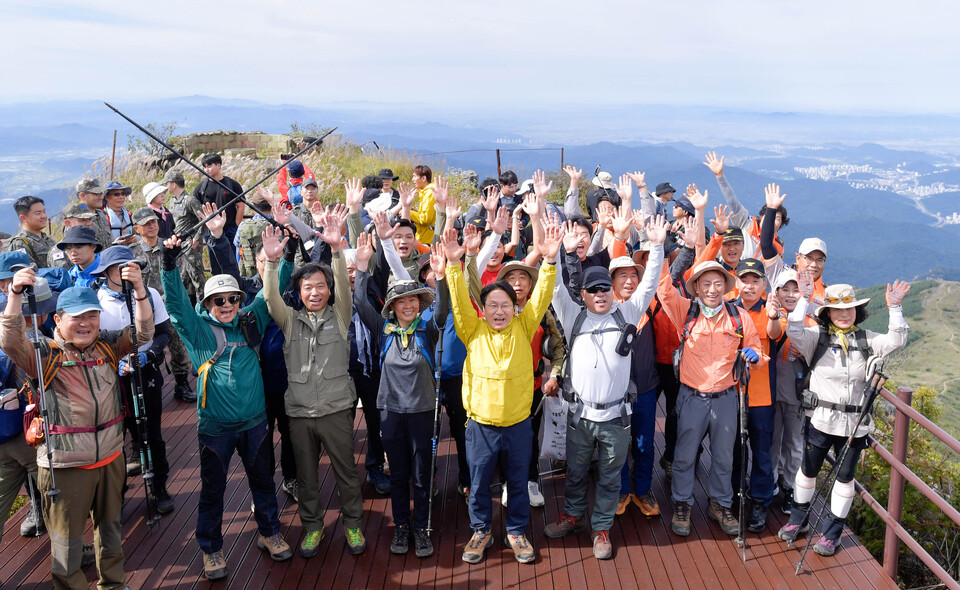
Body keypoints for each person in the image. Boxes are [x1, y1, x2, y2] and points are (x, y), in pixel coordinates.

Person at [1, 265, 154, 590]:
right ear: (57, 320)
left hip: (111, 460)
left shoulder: (108, 346)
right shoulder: (45, 355)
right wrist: (14, 295)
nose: (85, 323)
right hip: (66, 467)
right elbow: (11, 341)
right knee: (67, 547)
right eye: (76, 316)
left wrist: (140, 290)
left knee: (110, 532)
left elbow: (143, 333)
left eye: (92, 315)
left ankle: (113, 584)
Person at [161, 229, 292, 581]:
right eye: (218, 300)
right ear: (206, 305)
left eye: (233, 298)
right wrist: (169, 265)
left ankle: (269, 532)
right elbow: (174, 304)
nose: (227, 305)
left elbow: (271, 293)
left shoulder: (252, 320)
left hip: (255, 423)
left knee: (263, 482)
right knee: (213, 491)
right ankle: (212, 549)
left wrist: (282, 256)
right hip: (215, 428)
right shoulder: (197, 331)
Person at [544, 217, 666, 560]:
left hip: (616, 417)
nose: (600, 294)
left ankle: (601, 528)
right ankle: (572, 514)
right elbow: (554, 290)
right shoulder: (573, 316)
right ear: (582, 294)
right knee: (578, 471)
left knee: (611, 475)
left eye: (604, 289)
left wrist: (656, 247)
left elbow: (649, 284)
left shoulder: (626, 313)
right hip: (580, 416)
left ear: (612, 292)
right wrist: (553, 258)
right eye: (593, 289)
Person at [442, 218, 561, 565]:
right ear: (484, 309)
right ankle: (481, 530)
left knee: (518, 482)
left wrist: (550, 261)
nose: (498, 311)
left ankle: (516, 532)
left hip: (518, 425)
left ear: (514, 308)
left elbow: (541, 296)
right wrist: (454, 264)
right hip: (480, 425)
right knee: (478, 485)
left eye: (504, 305)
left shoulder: (525, 326)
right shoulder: (472, 330)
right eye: (491, 305)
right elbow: (460, 300)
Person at [261, 215, 367, 560]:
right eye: (308, 287)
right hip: (300, 413)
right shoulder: (290, 321)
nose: (315, 292)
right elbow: (270, 297)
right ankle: (313, 527)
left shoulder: (340, 315)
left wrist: (337, 250)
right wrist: (273, 261)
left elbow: (343, 288)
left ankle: (352, 523)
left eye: (321, 286)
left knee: (346, 473)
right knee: (306, 477)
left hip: (336, 410)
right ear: (300, 293)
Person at [778, 281, 910, 556]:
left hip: (855, 426)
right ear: (827, 313)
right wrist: (803, 299)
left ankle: (831, 534)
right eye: (837, 310)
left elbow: (897, 340)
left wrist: (895, 307)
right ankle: (797, 520)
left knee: (844, 479)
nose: (844, 314)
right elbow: (794, 330)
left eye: (849, 308)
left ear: (856, 311)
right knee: (807, 473)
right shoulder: (817, 337)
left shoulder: (866, 339)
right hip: (820, 420)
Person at [656, 259, 767, 538]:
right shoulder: (686, 311)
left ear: (726, 287)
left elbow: (756, 347)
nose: (712, 289)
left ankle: (721, 504)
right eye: (705, 283)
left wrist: (755, 356)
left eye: (718, 283)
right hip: (692, 397)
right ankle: (682, 504)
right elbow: (664, 291)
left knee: (723, 457)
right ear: (696, 287)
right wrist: (657, 249)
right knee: (684, 455)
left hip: (727, 397)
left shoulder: (738, 316)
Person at [353, 233, 446, 558]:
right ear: (392, 307)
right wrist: (362, 266)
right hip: (391, 413)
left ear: (418, 304)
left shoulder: (428, 329)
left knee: (421, 476)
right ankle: (402, 527)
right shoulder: (383, 330)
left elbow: (443, 310)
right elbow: (361, 303)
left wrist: (443, 277)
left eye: (412, 301)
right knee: (399, 476)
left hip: (422, 413)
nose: (407, 306)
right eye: (400, 302)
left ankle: (421, 528)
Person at [92, 245, 175, 514]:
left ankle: (159, 486)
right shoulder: (94, 301)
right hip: (109, 379)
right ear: (106, 273)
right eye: (121, 268)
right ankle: (117, 491)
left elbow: (163, 332)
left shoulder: (149, 295)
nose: (128, 272)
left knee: (153, 432)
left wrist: (148, 355)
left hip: (145, 372)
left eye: (133, 267)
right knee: (115, 435)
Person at [728, 258, 781, 534]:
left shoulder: (771, 310)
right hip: (730, 393)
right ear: (736, 281)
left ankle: (760, 502)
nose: (749, 286)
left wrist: (772, 316)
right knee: (733, 449)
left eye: (755, 281)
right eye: (744, 280)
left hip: (761, 396)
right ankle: (733, 497)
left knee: (761, 452)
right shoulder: (726, 307)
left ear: (764, 284)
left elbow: (775, 333)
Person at [131, 208, 196, 402]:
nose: (152, 226)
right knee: (147, 346)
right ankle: (152, 384)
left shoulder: (168, 247)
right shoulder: (133, 253)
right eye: (146, 224)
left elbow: (183, 272)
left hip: (170, 306)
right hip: (144, 310)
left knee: (177, 346)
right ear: (137, 228)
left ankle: (181, 384)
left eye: (154, 222)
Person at [768, 269, 808, 514]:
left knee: (794, 442)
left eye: (796, 290)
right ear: (777, 292)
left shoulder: (810, 320)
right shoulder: (771, 317)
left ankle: (791, 486)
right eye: (786, 290)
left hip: (797, 394)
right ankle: (771, 481)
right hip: (771, 392)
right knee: (772, 440)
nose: (791, 295)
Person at [704, 151, 787, 261]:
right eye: (769, 215)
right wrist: (720, 176)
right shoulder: (746, 223)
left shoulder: (778, 245)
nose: (771, 220)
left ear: (781, 224)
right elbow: (732, 201)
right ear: (761, 216)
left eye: (777, 219)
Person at [165, 168, 206, 304]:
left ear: (174, 184)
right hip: (178, 246)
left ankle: (203, 307)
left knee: (197, 276)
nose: (166, 187)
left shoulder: (190, 200)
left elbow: (203, 220)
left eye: (167, 183)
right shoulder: (172, 201)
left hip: (190, 245)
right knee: (184, 278)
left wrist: (196, 238)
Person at [194, 153, 245, 252]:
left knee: (232, 260)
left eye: (209, 166)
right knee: (215, 262)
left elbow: (241, 206)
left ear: (219, 165)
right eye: (204, 167)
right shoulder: (200, 188)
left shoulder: (232, 185)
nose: (206, 170)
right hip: (210, 230)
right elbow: (196, 210)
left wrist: (235, 225)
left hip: (229, 230)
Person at [3, 195, 57, 267]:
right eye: (38, 213)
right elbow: (26, 270)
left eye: (44, 212)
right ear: (23, 218)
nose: (44, 216)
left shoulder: (47, 239)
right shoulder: (20, 243)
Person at [47, 202, 99, 269]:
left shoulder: (93, 240)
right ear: (68, 223)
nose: (88, 223)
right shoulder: (59, 251)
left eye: (89, 219)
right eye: (82, 220)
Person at [75, 178, 114, 250]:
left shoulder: (101, 214)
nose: (101, 197)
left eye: (101, 193)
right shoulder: (75, 220)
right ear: (82, 195)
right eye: (96, 194)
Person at [408, 165, 436, 243]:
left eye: (414, 176)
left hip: (427, 239)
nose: (412, 179)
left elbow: (425, 219)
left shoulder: (430, 193)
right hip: (426, 237)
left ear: (423, 178)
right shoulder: (425, 192)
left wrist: (408, 212)